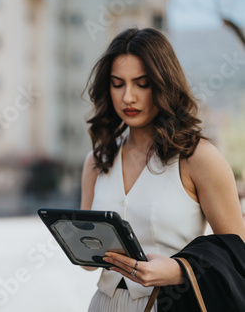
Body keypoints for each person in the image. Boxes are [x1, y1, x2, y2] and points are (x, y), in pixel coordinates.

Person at [80, 27, 245, 311]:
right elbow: (88, 264)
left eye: (142, 84)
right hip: (103, 304)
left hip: (170, 303)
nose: (127, 97)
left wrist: (179, 269)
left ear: (164, 84)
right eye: (118, 83)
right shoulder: (97, 161)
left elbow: (237, 253)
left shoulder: (198, 157)